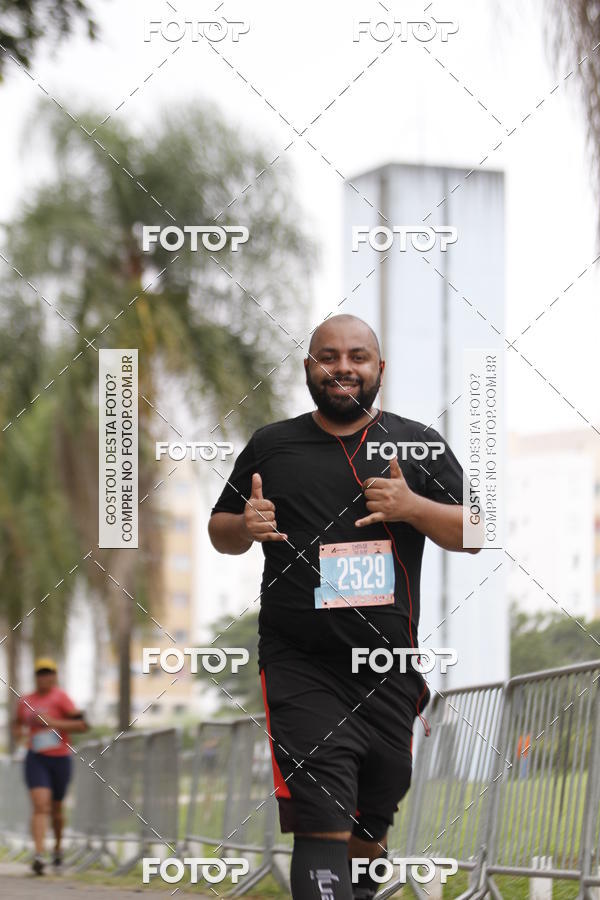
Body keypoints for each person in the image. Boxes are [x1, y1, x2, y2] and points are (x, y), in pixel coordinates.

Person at [208, 314, 481, 899]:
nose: (343, 368)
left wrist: (412, 506)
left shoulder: (417, 444)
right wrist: (245, 525)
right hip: (300, 664)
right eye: (328, 357)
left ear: (378, 369)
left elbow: (476, 530)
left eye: (357, 357)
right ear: (310, 368)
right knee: (322, 817)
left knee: (369, 823)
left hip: (385, 671)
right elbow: (220, 530)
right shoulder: (272, 446)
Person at [13, 657, 88, 876]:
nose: (44, 677)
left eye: (48, 673)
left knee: (56, 810)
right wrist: (19, 734)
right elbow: (17, 722)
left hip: (60, 759)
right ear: (35, 677)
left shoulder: (62, 699)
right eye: (40, 673)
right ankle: (38, 855)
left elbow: (83, 725)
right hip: (36, 758)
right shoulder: (25, 701)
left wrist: (53, 723)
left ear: (54, 676)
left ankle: (57, 848)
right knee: (40, 805)